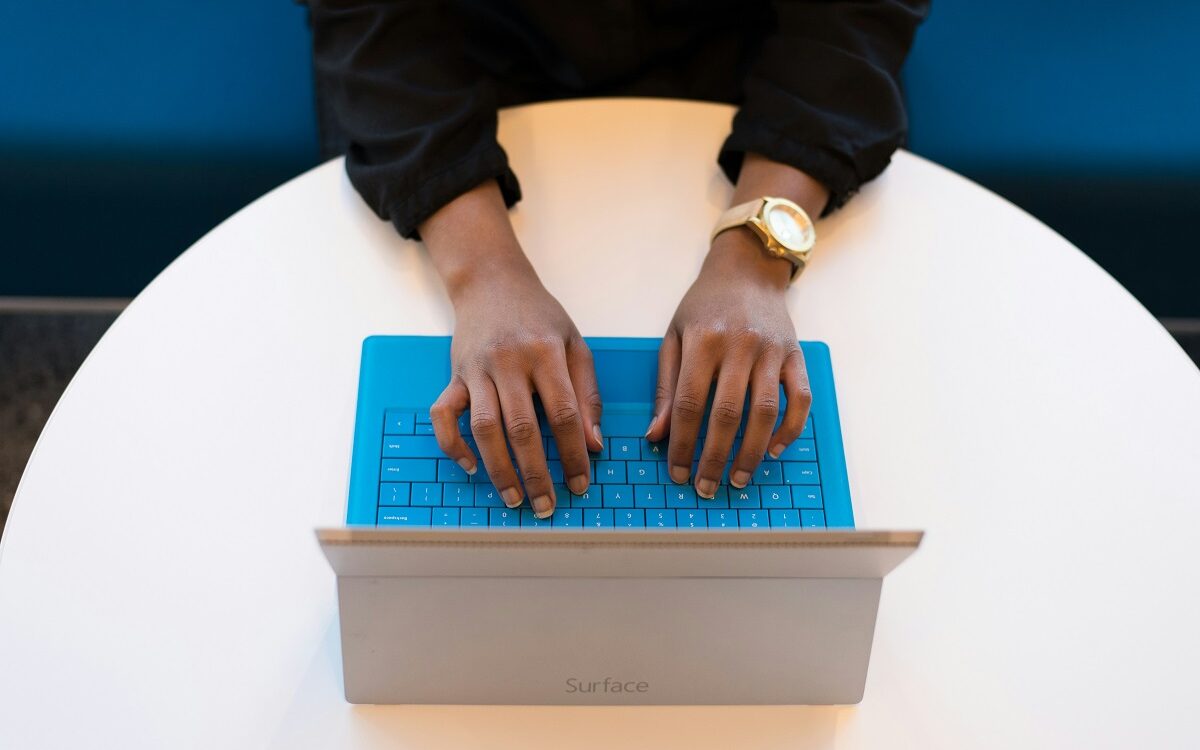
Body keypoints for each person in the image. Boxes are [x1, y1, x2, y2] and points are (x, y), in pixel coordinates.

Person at [308, 0, 927, 518]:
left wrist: (753, 259)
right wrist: (485, 271)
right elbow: (371, 18)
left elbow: (856, 14)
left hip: (754, 73)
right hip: (452, 80)